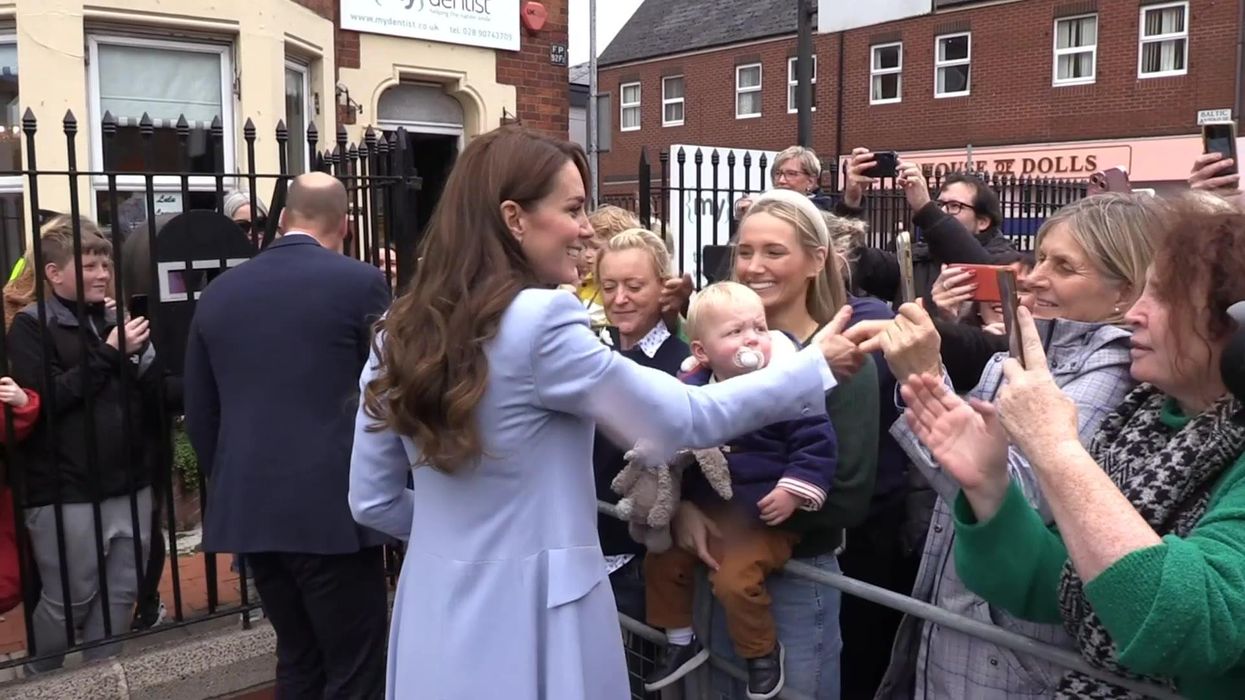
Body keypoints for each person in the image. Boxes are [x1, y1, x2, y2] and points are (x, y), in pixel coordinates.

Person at [345, 126, 864, 700]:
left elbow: (371, 501)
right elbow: (680, 419)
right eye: (572, 209)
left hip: (430, 610)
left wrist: (461, 541)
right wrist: (811, 369)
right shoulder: (542, 321)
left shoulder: (398, 329)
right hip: (535, 619)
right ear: (515, 218)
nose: (586, 229)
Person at [906, 196, 1245, 699]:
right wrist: (990, 490)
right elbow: (1064, 588)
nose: (1136, 314)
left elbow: (1193, 630)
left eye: (1163, 298)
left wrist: (1055, 447)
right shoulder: (1143, 420)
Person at [864, 193, 1165, 700]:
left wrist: (923, 375)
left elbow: (1013, 495)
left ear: (1126, 290)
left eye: (1064, 267)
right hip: (960, 624)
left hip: (1012, 651)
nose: (1036, 276)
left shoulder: (1113, 369)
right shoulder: (1030, 346)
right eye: (1041, 258)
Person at [184, 172, 392, 698]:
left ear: (281, 220)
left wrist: (234, 482)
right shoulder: (361, 283)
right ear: (345, 225)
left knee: (298, 658)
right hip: (335, 510)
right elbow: (388, 395)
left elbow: (201, 412)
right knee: (356, 668)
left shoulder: (219, 292)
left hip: (251, 508)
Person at [674, 187, 880, 700]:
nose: (753, 266)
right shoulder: (709, 354)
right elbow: (681, 446)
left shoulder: (842, 359)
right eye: (744, 251)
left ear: (816, 260)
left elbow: (848, 493)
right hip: (713, 572)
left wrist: (729, 518)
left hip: (794, 578)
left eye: (773, 251)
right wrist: (681, 509)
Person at [645, 282, 838, 699]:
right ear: (701, 351)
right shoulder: (691, 392)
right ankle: (680, 639)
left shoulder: (787, 386)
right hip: (711, 514)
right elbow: (676, 452)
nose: (752, 339)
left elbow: (816, 442)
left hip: (763, 518)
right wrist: (680, 502)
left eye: (759, 328)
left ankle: (762, 654)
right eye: (735, 332)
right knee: (660, 560)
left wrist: (794, 490)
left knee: (734, 581)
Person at [7, 217, 159, 671]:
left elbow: (149, 391)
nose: (102, 274)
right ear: (54, 274)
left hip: (130, 484)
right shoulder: (31, 326)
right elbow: (47, 399)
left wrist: (140, 354)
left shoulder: (113, 320)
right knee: (70, 598)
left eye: (105, 264)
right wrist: (110, 353)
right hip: (66, 490)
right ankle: (40, 678)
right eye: (89, 266)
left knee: (121, 594)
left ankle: (103, 679)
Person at [591, 227, 690, 696]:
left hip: (642, 554)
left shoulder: (682, 363)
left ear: (663, 287)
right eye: (609, 286)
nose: (620, 298)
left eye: (634, 285)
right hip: (587, 545)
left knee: (638, 681)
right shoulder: (591, 354)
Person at [839, 149, 1022, 304]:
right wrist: (851, 202)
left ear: (983, 222)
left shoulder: (1005, 261)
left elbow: (978, 269)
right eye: (940, 205)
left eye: (954, 206)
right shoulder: (917, 259)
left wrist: (925, 208)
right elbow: (853, 260)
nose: (943, 212)